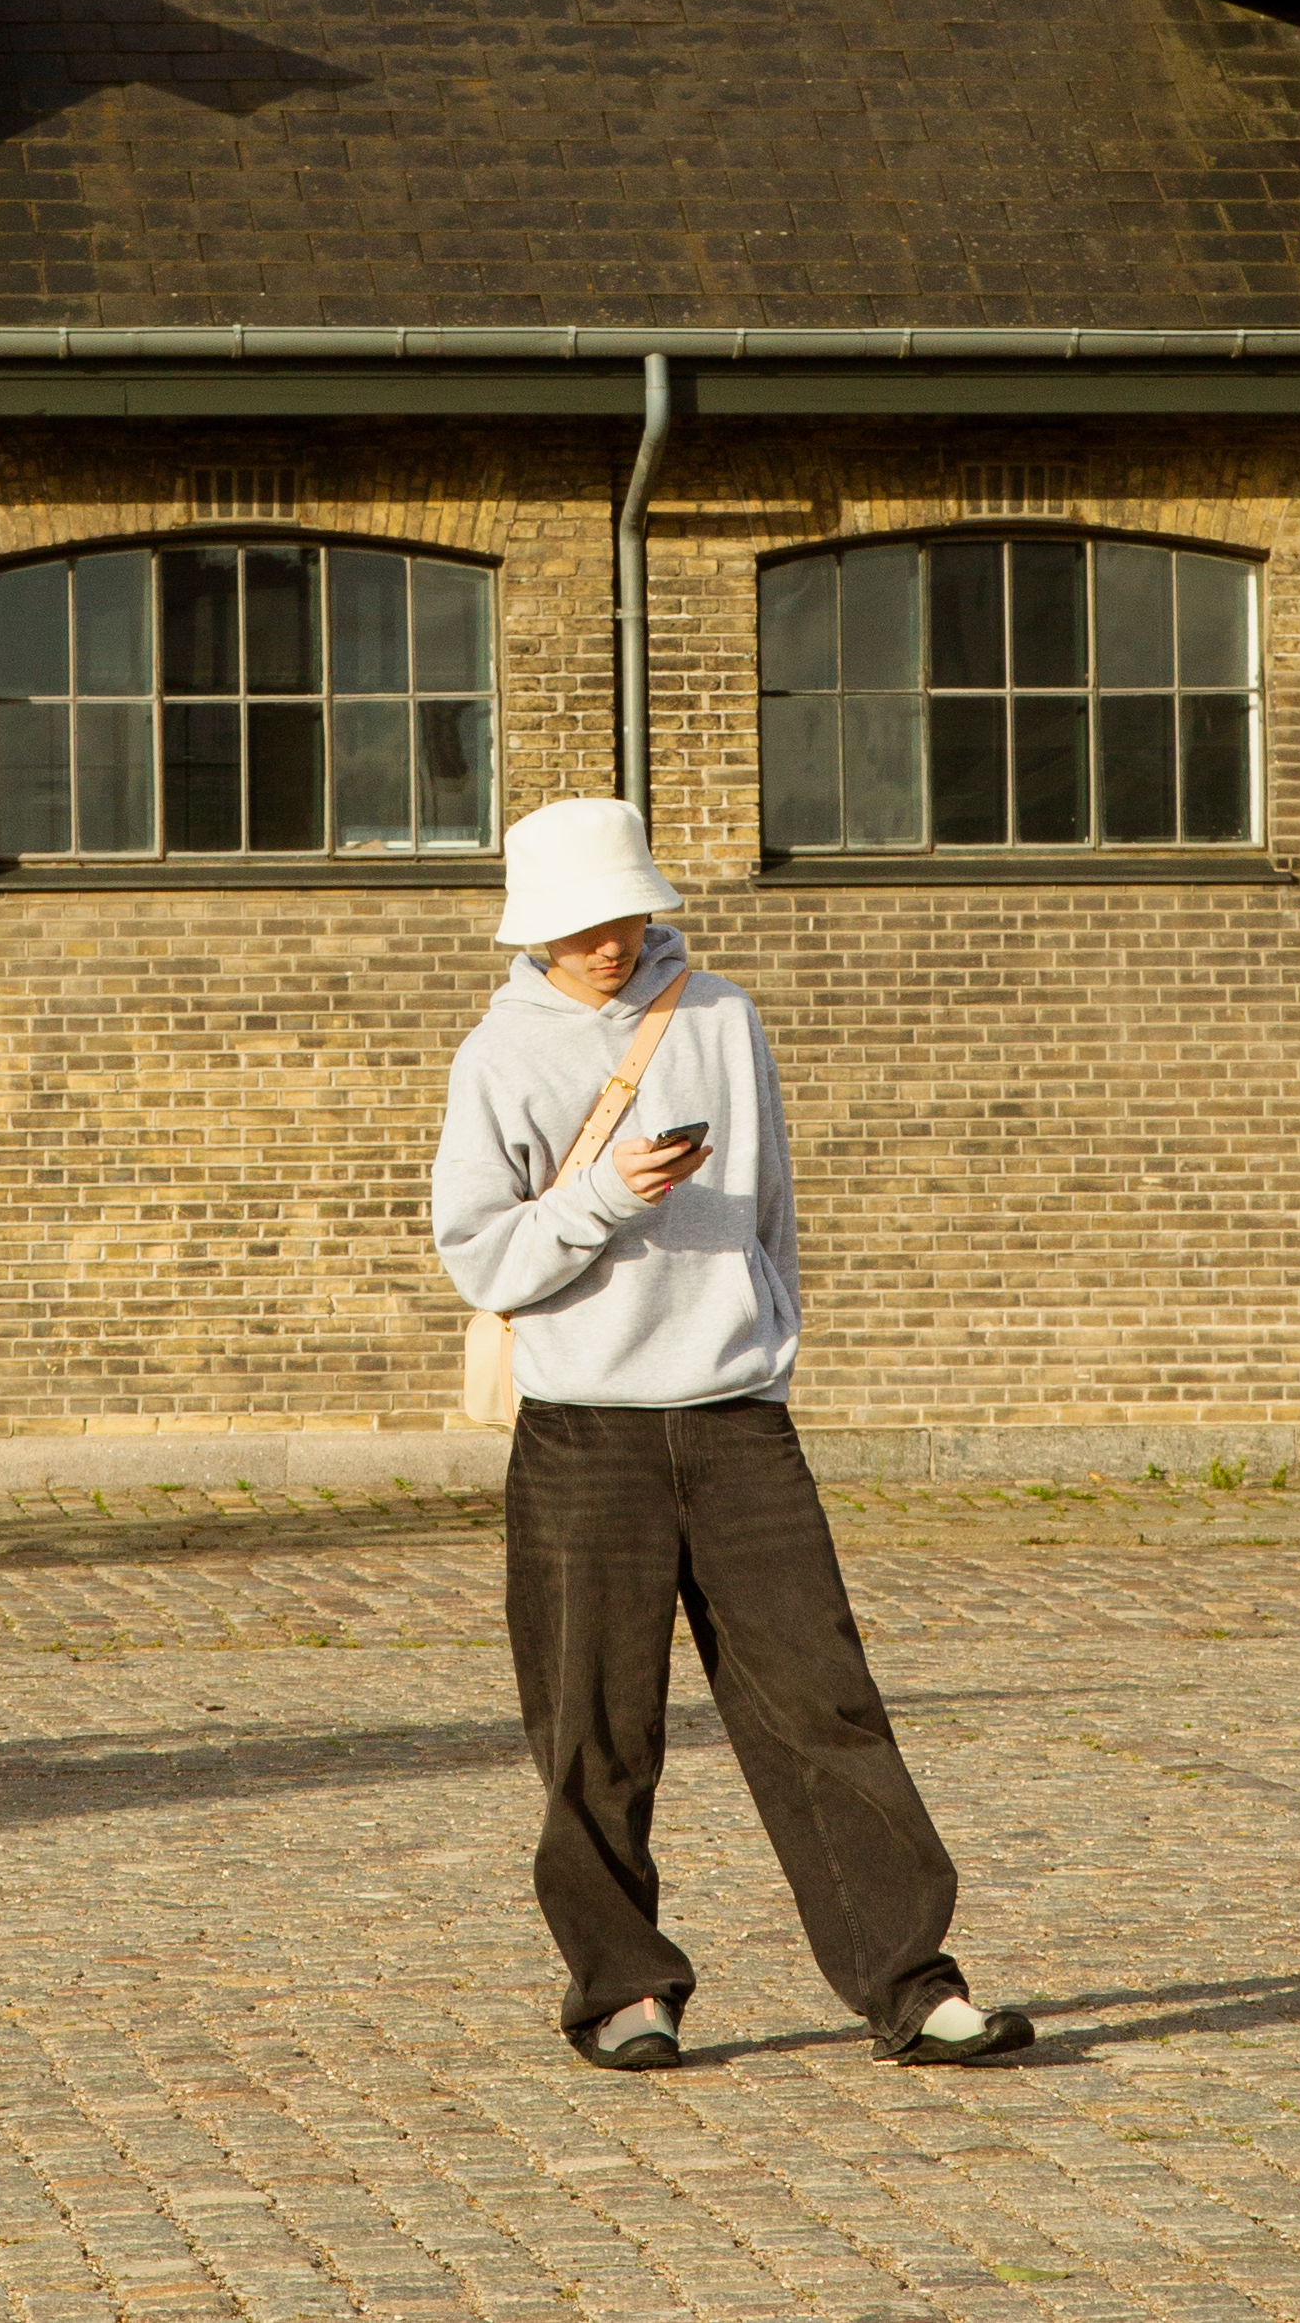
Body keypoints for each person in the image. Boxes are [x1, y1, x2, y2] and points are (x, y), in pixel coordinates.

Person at [432, 796, 1031, 2071]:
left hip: (737, 1424)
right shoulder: (496, 1054)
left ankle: (910, 1984)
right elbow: (478, 1255)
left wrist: (770, 1342)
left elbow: (773, 1212)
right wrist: (600, 1197)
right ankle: (621, 1989)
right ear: (535, 928)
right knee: (595, 1726)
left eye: (626, 912)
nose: (611, 939)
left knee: (825, 1707)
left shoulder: (719, 1015)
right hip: (584, 1435)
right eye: (583, 922)